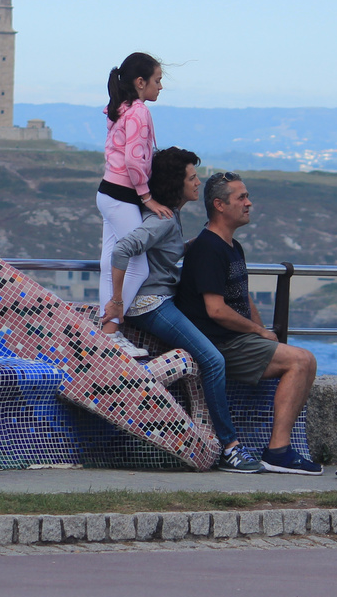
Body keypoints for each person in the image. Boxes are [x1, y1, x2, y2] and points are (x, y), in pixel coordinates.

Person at [108, 148, 261, 473]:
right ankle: (230, 448)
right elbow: (122, 250)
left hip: (164, 298)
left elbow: (166, 252)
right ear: (177, 184)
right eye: (192, 177)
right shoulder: (162, 220)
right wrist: (117, 302)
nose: (198, 182)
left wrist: (197, 244)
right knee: (213, 360)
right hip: (152, 304)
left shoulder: (171, 215)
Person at [174, 172, 323, 474]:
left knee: (303, 361)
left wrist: (265, 333)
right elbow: (215, 310)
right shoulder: (208, 249)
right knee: (301, 361)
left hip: (237, 340)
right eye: (241, 198)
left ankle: (279, 450)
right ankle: (278, 451)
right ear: (219, 205)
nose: (248, 203)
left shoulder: (232, 246)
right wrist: (257, 331)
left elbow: (242, 296)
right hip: (220, 343)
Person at [97, 52, 168, 358]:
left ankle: (106, 334)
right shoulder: (138, 112)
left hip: (107, 193)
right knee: (138, 264)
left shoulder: (120, 108)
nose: (161, 87)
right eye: (158, 80)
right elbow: (134, 159)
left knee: (109, 262)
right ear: (141, 82)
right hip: (123, 196)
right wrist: (147, 196)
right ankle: (111, 329)